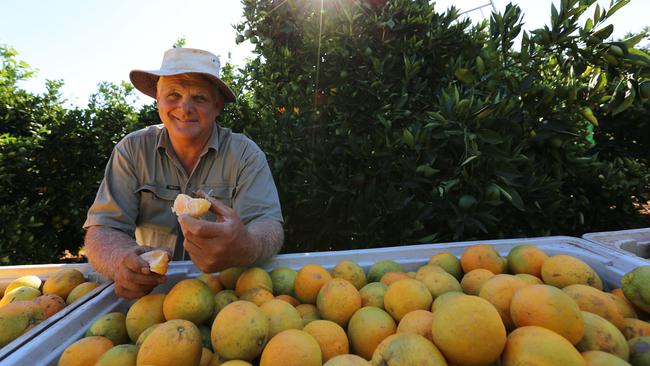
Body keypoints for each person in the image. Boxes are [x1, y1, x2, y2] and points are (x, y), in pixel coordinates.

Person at [83, 48, 284, 299]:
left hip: (226, 299)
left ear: (217, 105)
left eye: (199, 97)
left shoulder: (245, 154)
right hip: (149, 297)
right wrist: (121, 260)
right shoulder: (132, 150)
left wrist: (249, 245)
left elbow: (268, 224)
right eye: (173, 95)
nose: (185, 107)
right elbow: (103, 228)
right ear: (158, 100)